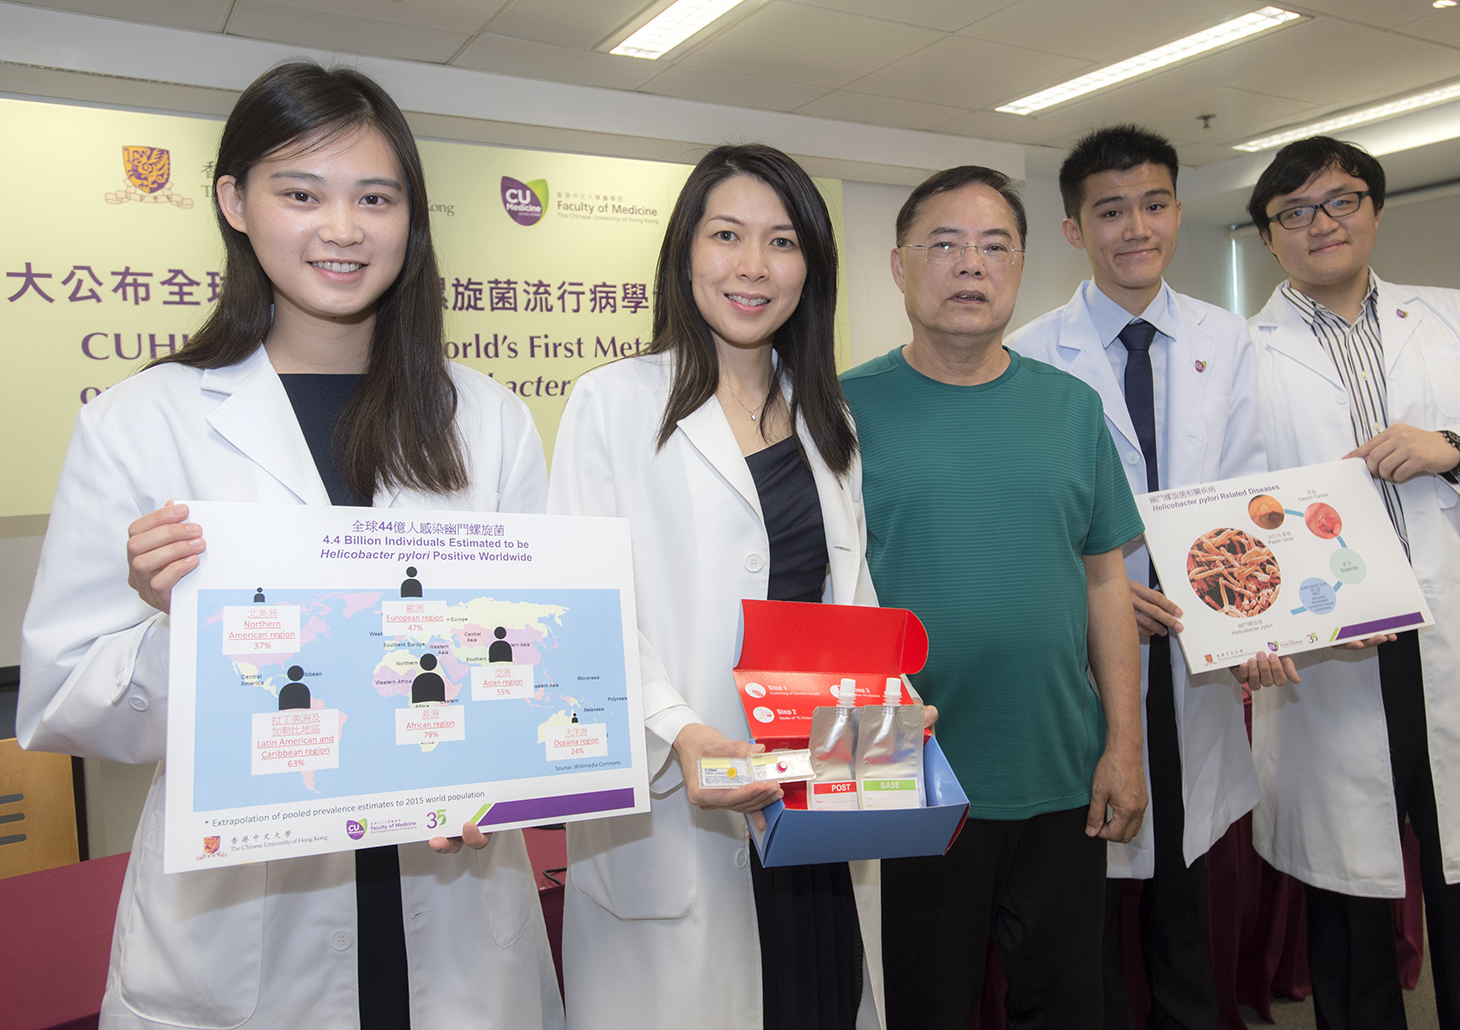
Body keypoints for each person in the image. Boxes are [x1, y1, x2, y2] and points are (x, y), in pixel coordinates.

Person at [18, 62, 560, 1030]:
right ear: (234, 201)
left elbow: (531, 664)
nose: (342, 228)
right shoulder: (143, 424)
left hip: (458, 902)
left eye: (375, 197)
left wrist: (510, 775)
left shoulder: (489, 421)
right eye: (301, 193)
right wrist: (164, 619)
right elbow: (66, 707)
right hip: (245, 928)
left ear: (412, 217)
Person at [1243, 136, 1460, 1030]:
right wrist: (1267, 626)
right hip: (1335, 663)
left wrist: (1455, 445)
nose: (1322, 222)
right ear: (1267, 237)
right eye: (1294, 211)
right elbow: (1228, 510)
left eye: (1342, 200)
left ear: (1375, 209)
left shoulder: (1459, 317)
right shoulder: (1242, 358)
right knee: (1351, 925)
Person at [546, 144, 890, 1030]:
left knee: (819, 1000)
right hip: (679, 803)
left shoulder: (828, 415)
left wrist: (884, 721)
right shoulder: (612, 404)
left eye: (781, 242)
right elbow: (583, 610)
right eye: (726, 235)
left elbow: (846, 600)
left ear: (810, 265)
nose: (752, 266)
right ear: (683, 252)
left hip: (813, 798)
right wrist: (682, 729)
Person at [841, 165, 1147, 1029]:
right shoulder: (838, 411)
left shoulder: (1072, 408)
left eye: (992, 246)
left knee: (1063, 1003)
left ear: (1019, 267)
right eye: (943, 245)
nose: (968, 266)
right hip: (907, 777)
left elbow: (1103, 579)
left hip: (1057, 769)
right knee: (923, 1003)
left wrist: (1123, 744)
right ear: (899, 267)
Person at [1007, 125, 1282, 1030]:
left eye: (1154, 204)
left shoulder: (1226, 339)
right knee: (1085, 882)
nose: (1136, 227)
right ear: (1073, 228)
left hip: (1197, 645)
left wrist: (1242, 614)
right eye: (1110, 210)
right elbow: (1019, 508)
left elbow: (1248, 488)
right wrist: (1098, 586)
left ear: (1176, 210)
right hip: (1086, 650)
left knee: (1188, 883)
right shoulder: (1031, 351)